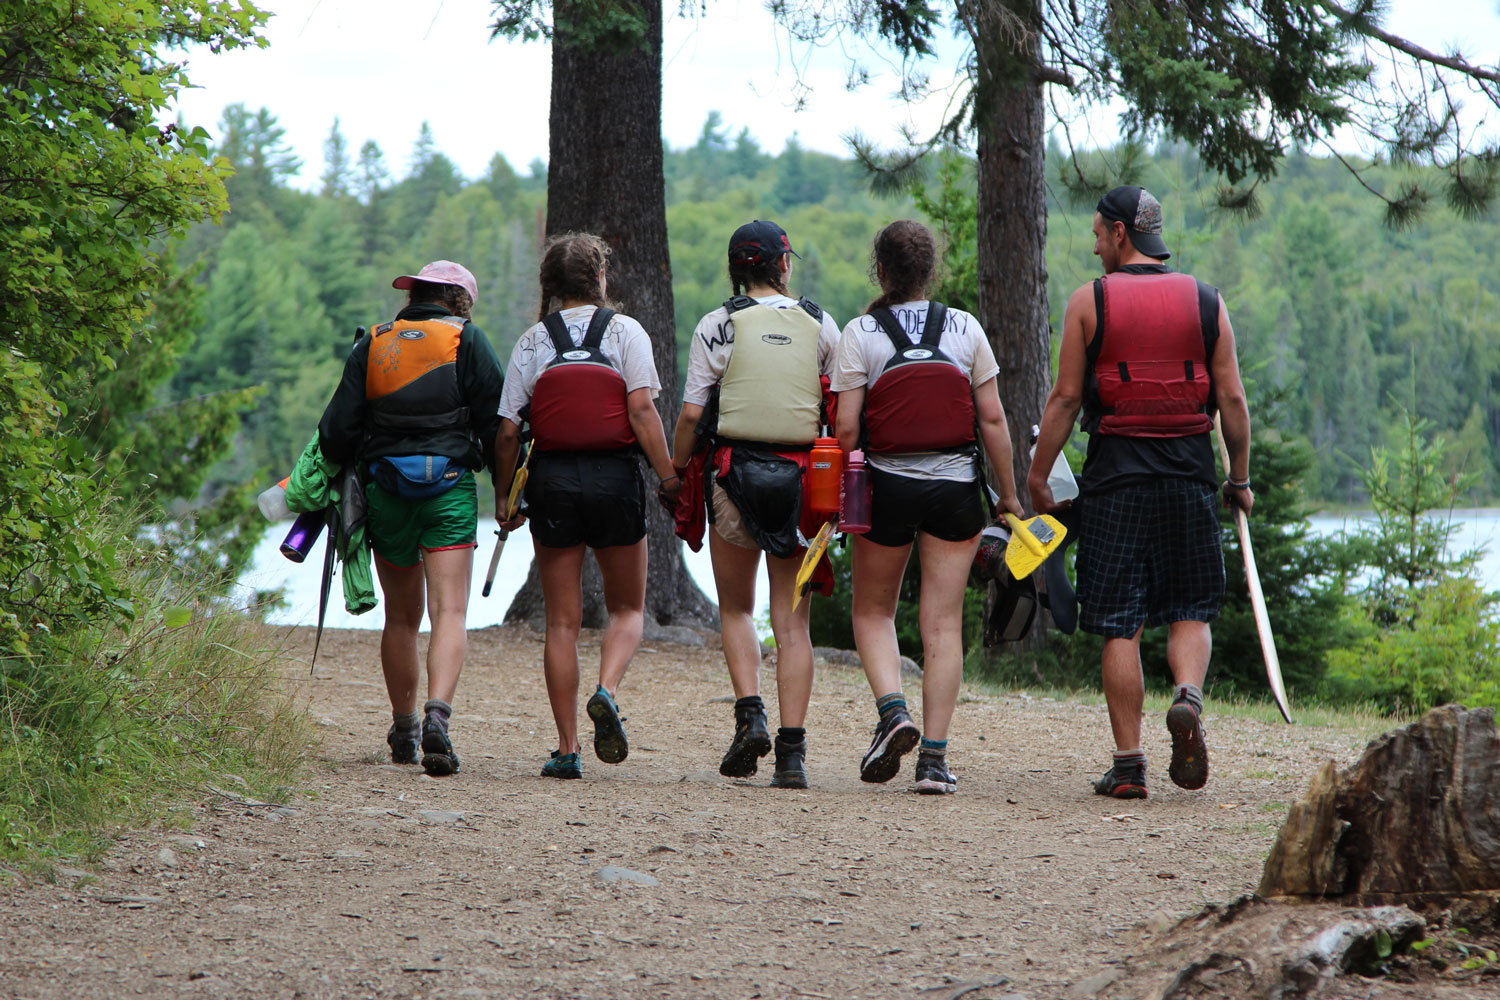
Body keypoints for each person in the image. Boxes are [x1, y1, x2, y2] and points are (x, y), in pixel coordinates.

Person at [1028, 185, 1252, 800]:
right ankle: (1188, 697)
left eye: (1099, 234)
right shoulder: (1206, 301)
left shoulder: (1090, 301)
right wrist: (1238, 479)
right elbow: (1232, 399)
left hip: (1116, 481)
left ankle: (1129, 767)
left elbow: (1066, 399)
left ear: (1121, 233)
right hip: (1188, 476)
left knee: (1119, 625)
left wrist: (1038, 475)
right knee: (1190, 608)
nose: (1095, 246)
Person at [832, 219, 1024, 795]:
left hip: (886, 488)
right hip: (956, 489)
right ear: (929, 272)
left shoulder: (861, 332)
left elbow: (846, 430)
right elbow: (993, 419)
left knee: (873, 612)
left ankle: (894, 713)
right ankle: (934, 761)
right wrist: (1008, 495)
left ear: (881, 272)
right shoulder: (964, 327)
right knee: (943, 623)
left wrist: (842, 490)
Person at [494, 233, 677, 780]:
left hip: (551, 483)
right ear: (600, 278)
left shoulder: (532, 341)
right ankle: (607, 690)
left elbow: (507, 432)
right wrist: (668, 477)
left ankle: (567, 748)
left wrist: (504, 498)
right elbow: (642, 411)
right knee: (627, 609)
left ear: (549, 285)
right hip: (615, 478)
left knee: (562, 623)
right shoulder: (626, 332)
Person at [670, 219, 842, 789]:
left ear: (734, 270)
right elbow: (840, 409)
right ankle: (792, 755)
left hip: (732, 476)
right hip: (802, 484)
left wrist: (674, 471)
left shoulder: (716, 325)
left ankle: (750, 715)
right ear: (784, 264)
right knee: (793, 625)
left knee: (737, 609)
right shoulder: (821, 324)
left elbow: (692, 415)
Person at [315, 260, 503, 777]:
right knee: (450, 611)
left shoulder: (374, 343)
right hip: (450, 491)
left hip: (385, 492)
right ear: (460, 301)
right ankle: (437, 715)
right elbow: (497, 425)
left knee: (401, 617)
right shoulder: (467, 340)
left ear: (414, 296)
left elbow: (334, 432)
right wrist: (506, 490)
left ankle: (405, 729)